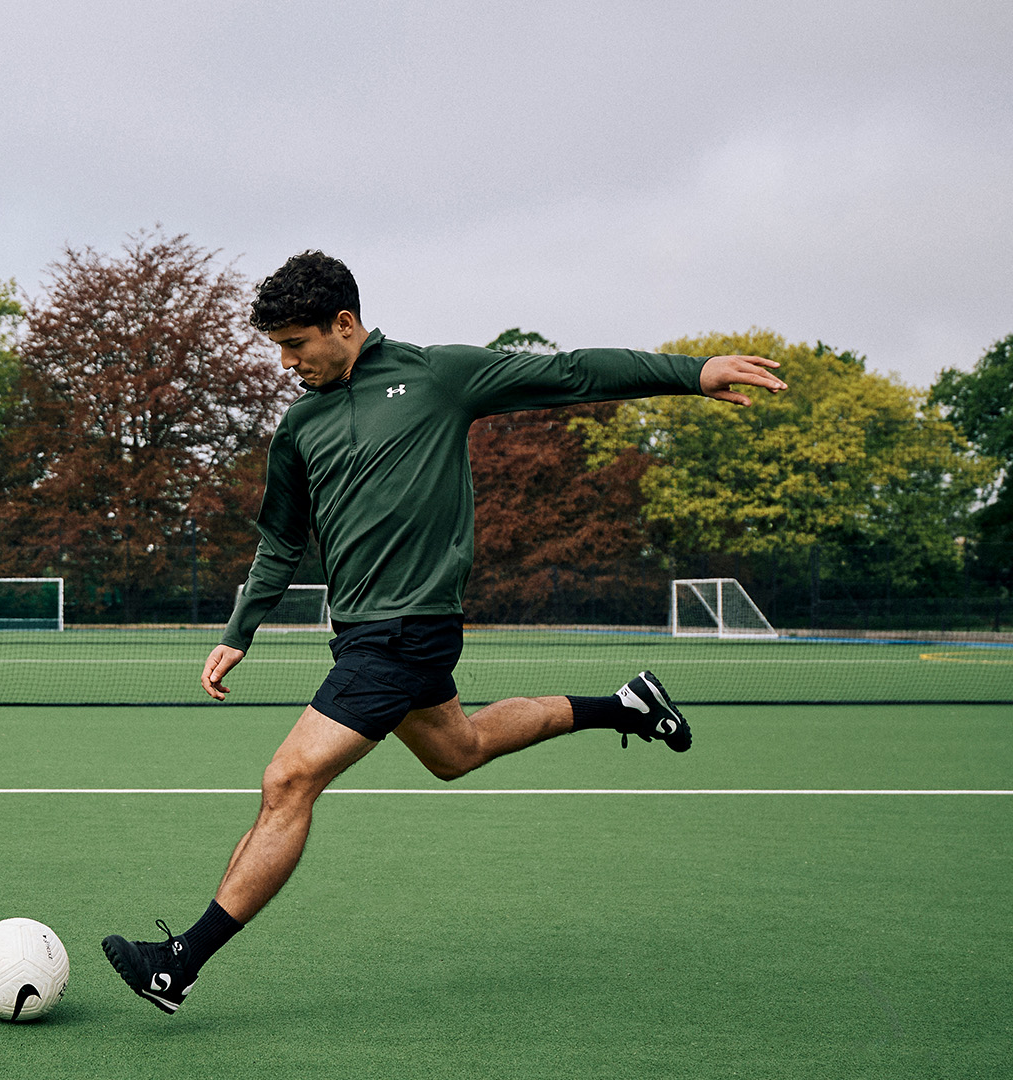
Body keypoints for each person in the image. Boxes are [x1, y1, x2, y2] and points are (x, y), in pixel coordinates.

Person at [101, 250, 787, 1014]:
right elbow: (281, 539)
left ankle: (179, 963)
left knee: (289, 781)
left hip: (410, 630)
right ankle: (626, 705)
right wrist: (241, 629)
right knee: (458, 752)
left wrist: (693, 371)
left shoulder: (438, 376)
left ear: (344, 324)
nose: (287, 362)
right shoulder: (298, 426)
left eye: (297, 344)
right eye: (278, 348)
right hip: (360, 635)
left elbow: (573, 373)